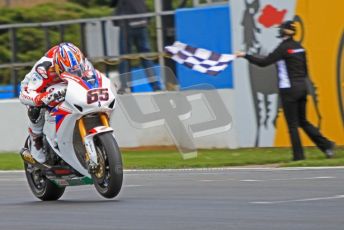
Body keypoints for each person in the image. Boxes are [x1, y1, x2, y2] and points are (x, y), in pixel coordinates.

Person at [236, 20, 335, 161]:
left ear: (283, 32)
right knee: (303, 121)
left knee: (293, 126)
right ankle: (326, 145)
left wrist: (245, 55)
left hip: (289, 91)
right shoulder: (300, 48)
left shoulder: (283, 48)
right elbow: (305, 71)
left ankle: (298, 157)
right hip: (302, 88)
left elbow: (264, 63)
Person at [19, 42, 94, 163]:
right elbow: (24, 94)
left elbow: (94, 80)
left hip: (68, 85)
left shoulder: (83, 63)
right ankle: (36, 141)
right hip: (39, 87)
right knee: (36, 109)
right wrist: (41, 98)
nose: (73, 74)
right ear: (58, 67)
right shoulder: (43, 69)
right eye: (69, 72)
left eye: (76, 71)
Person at [111, 0, 161, 94]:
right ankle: (156, 85)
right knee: (146, 56)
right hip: (141, 20)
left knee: (125, 57)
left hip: (127, 22)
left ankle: (125, 87)